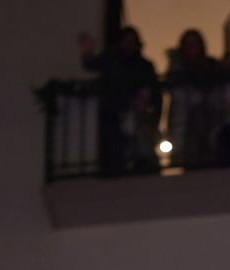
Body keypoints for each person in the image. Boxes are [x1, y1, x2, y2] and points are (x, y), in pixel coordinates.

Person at [79, 27, 161, 175]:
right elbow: (92, 64)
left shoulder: (144, 66)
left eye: (131, 41)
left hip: (139, 116)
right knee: (117, 152)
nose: (128, 44)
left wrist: (152, 116)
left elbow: (155, 93)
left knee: (142, 152)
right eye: (125, 41)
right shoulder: (112, 61)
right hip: (114, 116)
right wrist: (88, 51)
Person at [165, 28, 219, 168]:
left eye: (195, 43)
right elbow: (173, 90)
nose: (192, 47)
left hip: (207, 119)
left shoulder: (211, 65)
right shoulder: (177, 68)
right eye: (188, 43)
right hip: (186, 127)